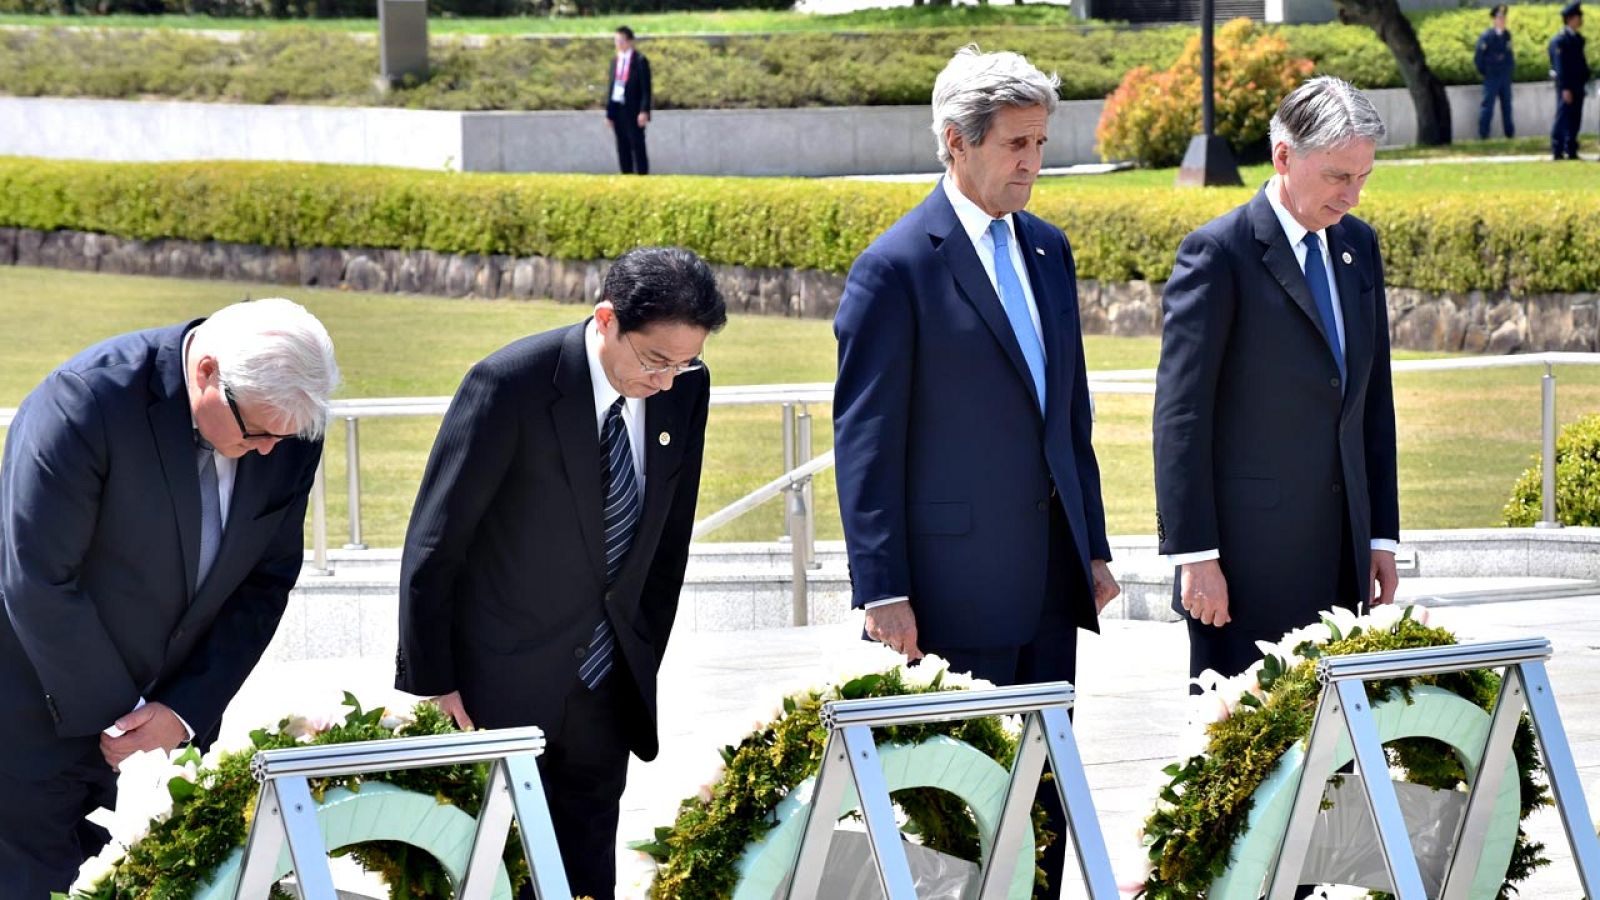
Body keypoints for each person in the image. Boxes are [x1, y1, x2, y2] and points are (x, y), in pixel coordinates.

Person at [832, 45, 1120, 895]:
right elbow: (867, 443)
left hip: (1047, 585)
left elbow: (1069, 415)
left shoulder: (1049, 251)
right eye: (1015, 145)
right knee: (959, 808)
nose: (1033, 163)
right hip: (948, 594)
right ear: (955, 142)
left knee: (1043, 796)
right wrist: (881, 590)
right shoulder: (895, 269)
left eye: (1039, 142)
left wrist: (1091, 545)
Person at [395, 246, 725, 899]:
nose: (666, 381)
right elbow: (435, 543)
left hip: (606, 693)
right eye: (655, 360)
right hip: (498, 692)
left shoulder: (685, 389)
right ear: (606, 320)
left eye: (685, 362)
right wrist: (435, 685)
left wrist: (638, 657)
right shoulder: (510, 385)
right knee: (498, 876)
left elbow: (667, 539)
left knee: (586, 875)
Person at [0, 298, 339, 896]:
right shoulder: (85, 402)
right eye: (257, 431)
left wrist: (182, 712)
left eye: (284, 437)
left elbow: (265, 582)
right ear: (206, 372)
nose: (268, 450)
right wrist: (126, 716)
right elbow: (38, 578)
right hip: (31, 721)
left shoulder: (284, 430)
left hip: (163, 726)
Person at [1153, 76, 1400, 686]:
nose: (1353, 196)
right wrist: (1196, 556)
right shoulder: (1217, 254)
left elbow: (1372, 401)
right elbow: (1181, 417)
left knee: (1332, 756)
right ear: (1284, 156)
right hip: (1243, 568)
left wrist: (1381, 534)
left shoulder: (1358, 248)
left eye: (1364, 176)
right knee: (1241, 756)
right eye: (1339, 176)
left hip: (1342, 557)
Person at [605, 25, 653, 175]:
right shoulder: (615, 61)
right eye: (616, 41)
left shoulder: (640, 60)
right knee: (622, 145)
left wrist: (644, 111)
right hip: (618, 108)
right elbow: (612, 87)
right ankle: (626, 176)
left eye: (621, 41)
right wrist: (609, 113)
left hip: (634, 109)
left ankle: (642, 176)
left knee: (637, 144)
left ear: (630, 41)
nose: (618, 44)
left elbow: (646, 88)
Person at [1549, 1, 1589, 160]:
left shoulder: (1578, 39)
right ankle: (1557, 148)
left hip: (1578, 84)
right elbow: (1560, 67)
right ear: (1570, 19)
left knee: (1575, 118)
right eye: (1578, 17)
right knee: (1563, 116)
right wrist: (1565, 88)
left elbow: (1581, 62)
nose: (1580, 20)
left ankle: (1571, 148)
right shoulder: (1560, 41)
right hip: (1566, 86)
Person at [1476, 4, 1517, 140]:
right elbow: (1479, 57)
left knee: (1507, 106)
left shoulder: (1507, 35)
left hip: (1504, 76)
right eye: (1499, 17)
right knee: (1488, 106)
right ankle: (1484, 134)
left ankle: (1509, 133)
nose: (1502, 20)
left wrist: (1509, 69)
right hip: (1492, 76)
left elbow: (1509, 54)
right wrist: (1486, 72)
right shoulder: (1487, 36)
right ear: (1494, 19)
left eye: (1504, 17)